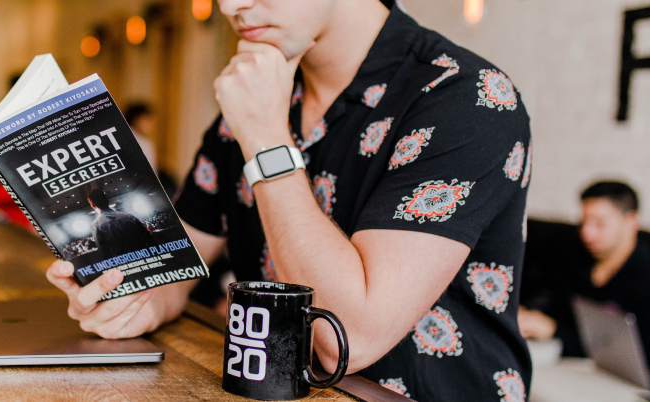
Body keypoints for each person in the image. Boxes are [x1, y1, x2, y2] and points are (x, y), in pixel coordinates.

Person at [46, 0, 532, 400]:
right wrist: (132, 304)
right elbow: (176, 266)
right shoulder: (260, 98)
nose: (230, 6)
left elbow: (347, 338)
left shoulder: (464, 97)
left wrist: (264, 139)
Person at [518, 182, 650, 364]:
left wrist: (554, 330)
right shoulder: (577, 259)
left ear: (630, 222)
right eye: (584, 222)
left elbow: (634, 353)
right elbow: (556, 307)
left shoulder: (643, 278)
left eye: (600, 224)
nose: (587, 234)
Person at [87, 189, 155, 256]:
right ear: (107, 200)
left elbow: (105, 253)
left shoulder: (95, 226)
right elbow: (149, 240)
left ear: (93, 205)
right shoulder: (130, 217)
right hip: (143, 257)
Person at [124, 102, 159, 173]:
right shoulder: (144, 144)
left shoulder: (122, 136)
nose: (151, 125)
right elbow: (151, 172)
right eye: (148, 120)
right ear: (136, 119)